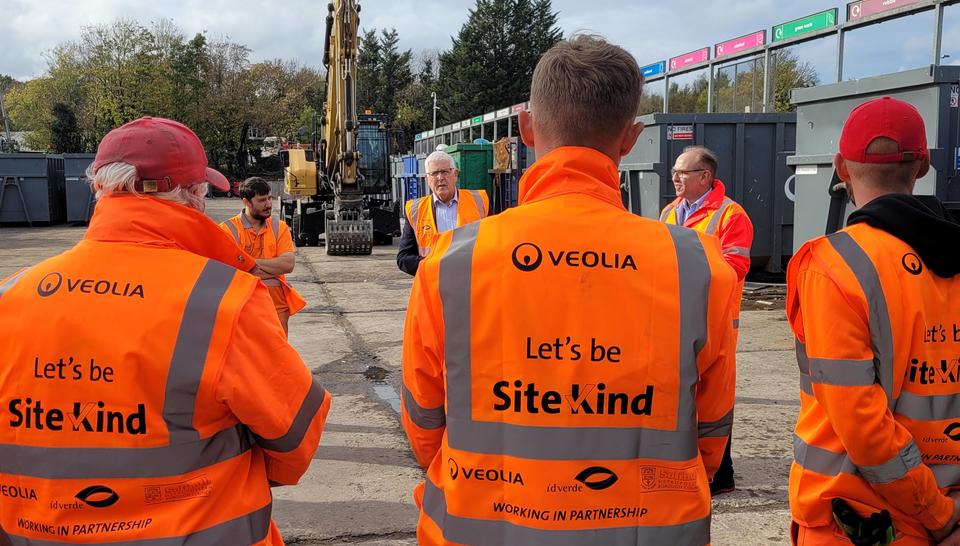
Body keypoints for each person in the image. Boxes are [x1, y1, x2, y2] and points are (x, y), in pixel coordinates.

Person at [400, 34, 738, 546]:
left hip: (484, 523)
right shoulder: (697, 266)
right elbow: (711, 431)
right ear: (630, 138)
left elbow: (425, 422)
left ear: (527, 130)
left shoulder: (450, 264)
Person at [0, 117, 331, 545]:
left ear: (99, 189)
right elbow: (295, 440)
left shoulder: (11, 297)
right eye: (204, 192)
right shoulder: (225, 300)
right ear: (192, 195)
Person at [787, 97, 960, 545]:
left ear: (840, 167)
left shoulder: (832, 265)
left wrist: (938, 516)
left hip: (860, 522)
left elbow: (861, 423)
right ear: (921, 166)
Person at [659, 145, 754, 496]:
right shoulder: (669, 213)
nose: (675, 177)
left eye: (683, 172)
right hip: (677, 318)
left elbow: (736, 267)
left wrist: (687, 275)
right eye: (675, 171)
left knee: (715, 400)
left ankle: (721, 474)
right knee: (684, 395)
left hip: (716, 322)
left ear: (705, 177)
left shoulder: (732, 216)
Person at [221, 177, 306, 336]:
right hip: (243, 304)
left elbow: (288, 265)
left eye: (269, 198)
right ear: (246, 202)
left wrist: (248, 263)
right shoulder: (227, 230)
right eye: (261, 200)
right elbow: (228, 270)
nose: (268, 204)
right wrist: (273, 266)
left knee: (278, 357)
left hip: (277, 307)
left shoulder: (279, 227)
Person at [396, 150, 488, 276]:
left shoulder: (480, 202)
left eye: (445, 171)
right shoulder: (415, 211)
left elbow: (495, 244)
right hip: (434, 287)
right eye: (434, 173)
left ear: (455, 174)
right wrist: (435, 266)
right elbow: (403, 258)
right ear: (427, 179)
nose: (440, 177)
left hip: (473, 283)